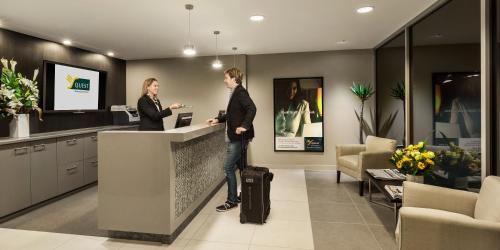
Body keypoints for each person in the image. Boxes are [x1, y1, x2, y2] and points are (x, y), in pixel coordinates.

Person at [207, 67, 257, 212]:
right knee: (242, 167)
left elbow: (252, 108)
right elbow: (232, 114)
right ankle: (244, 195)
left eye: (226, 78)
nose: (224, 80)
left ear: (234, 79)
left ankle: (231, 201)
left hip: (238, 137)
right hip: (240, 137)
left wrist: (244, 126)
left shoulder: (240, 92)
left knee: (228, 168)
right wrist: (218, 119)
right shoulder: (235, 92)